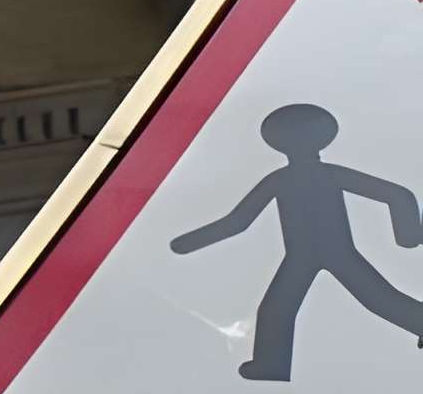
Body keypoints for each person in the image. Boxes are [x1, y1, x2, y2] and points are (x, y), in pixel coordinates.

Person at [169, 102, 423, 379]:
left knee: (363, 300)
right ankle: (270, 367)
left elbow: (395, 194)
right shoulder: (292, 178)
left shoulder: (301, 177)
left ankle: (271, 366)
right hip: (306, 255)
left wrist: (408, 236)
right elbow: (239, 221)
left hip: (331, 252)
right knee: (284, 307)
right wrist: (186, 243)